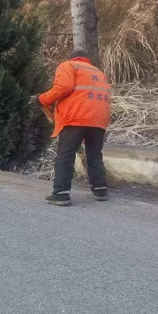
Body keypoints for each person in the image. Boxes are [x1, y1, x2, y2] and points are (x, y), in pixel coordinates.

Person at [38, 50, 111, 206]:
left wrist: (43, 99)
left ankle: (61, 193)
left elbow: (64, 86)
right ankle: (100, 189)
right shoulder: (98, 72)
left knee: (65, 155)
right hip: (99, 119)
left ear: (72, 58)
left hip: (75, 118)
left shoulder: (69, 65)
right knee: (94, 155)